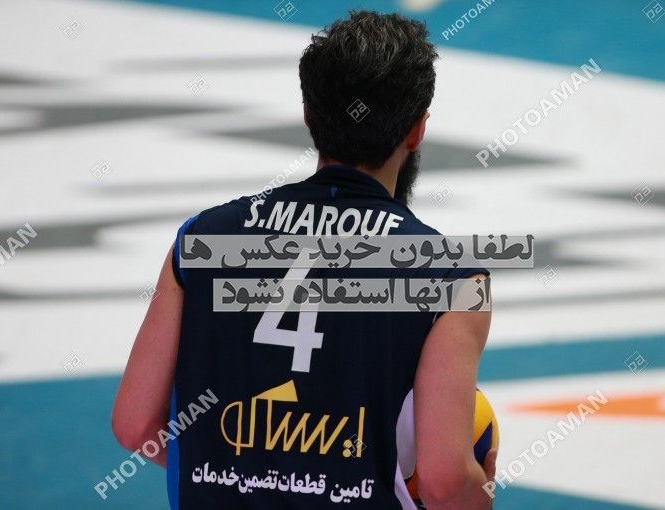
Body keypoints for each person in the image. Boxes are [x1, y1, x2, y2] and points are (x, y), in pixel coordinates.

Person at [112, 10, 495, 509]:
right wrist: (479, 493)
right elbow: (444, 483)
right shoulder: (453, 278)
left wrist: (242, 473)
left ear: (310, 118)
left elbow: (136, 425)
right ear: (417, 130)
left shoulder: (202, 240)